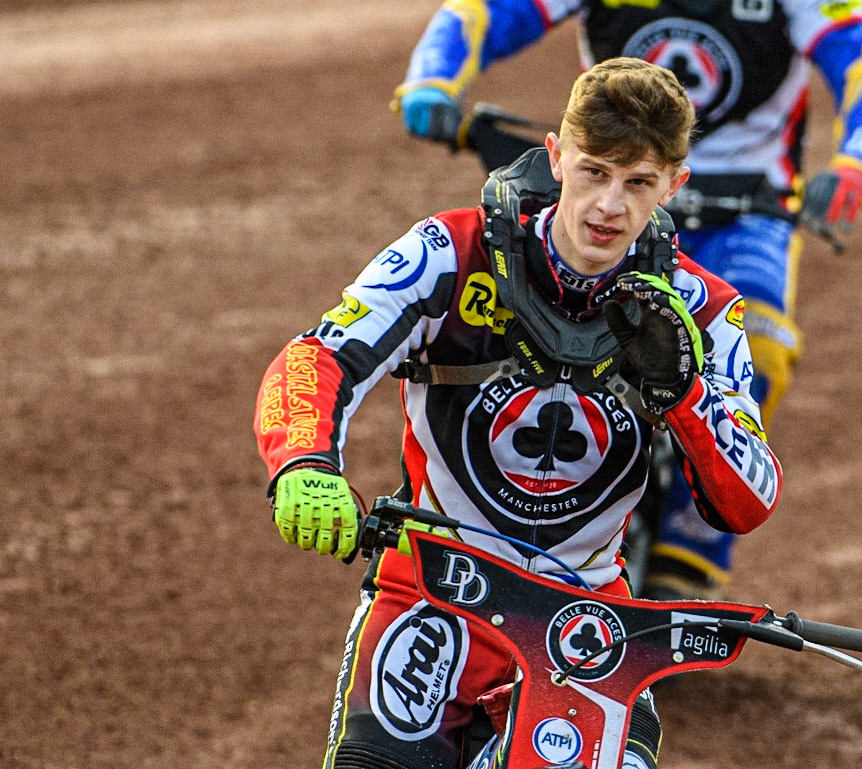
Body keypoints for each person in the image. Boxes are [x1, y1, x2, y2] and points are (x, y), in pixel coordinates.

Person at [254, 58, 781, 769]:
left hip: (586, 617)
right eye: (594, 171)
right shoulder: (449, 250)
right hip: (432, 592)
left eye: (638, 183)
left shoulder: (703, 310)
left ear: (673, 186)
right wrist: (304, 464)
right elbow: (318, 356)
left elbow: (749, 498)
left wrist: (684, 395)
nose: (609, 207)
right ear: (557, 156)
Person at [393, 0, 862, 601]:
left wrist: (859, 162)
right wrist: (432, 78)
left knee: (761, 351)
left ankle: (691, 548)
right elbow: (484, 13)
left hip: (746, 209)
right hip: (621, 176)